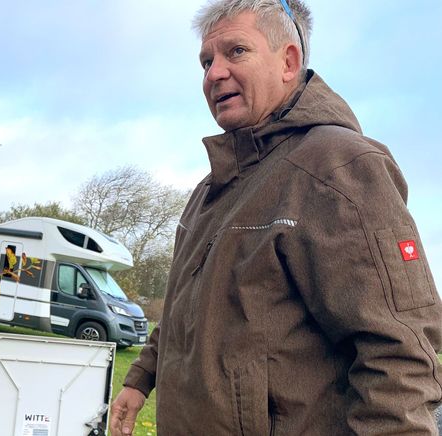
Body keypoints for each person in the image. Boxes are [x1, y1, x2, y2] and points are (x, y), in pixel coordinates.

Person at [109, 0, 442, 434]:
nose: (214, 73)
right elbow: (179, 310)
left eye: (236, 52)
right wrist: (140, 379)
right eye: (207, 61)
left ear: (288, 61)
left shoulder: (335, 167)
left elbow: (399, 357)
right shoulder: (210, 191)